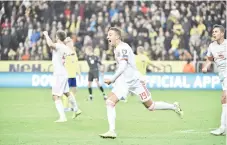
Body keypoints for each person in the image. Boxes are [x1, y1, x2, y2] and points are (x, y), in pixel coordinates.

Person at [99, 27, 183, 139]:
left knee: (151, 106)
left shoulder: (122, 48)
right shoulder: (118, 48)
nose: (107, 37)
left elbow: (123, 65)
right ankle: (112, 131)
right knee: (110, 102)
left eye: (110, 34)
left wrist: (113, 79)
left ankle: (173, 106)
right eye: (107, 35)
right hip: (124, 82)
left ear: (117, 37)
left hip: (135, 81)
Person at [43, 30, 81, 122]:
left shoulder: (59, 46)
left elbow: (50, 45)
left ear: (57, 37)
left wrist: (46, 35)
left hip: (59, 74)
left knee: (55, 95)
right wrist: (68, 43)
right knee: (66, 92)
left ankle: (62, 117)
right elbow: (72, 53)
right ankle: (76, 109)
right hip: (64, 72)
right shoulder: (64, 47)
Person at [202, 24, 226, 135]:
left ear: (222, 33)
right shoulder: (212, 46)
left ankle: (222, 127)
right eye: (213, 32)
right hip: (222, 75)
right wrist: (206, 66)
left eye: (216, 31)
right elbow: (209, 59)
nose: (214, 33)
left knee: (224, 98)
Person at [62, 37, 82, 112]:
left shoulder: (74, 51)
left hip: (73, 75)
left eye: (71, 41)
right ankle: (65, 106)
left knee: (74, 91)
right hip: (67, 75)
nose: (71, 43)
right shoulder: (65, 51)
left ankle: (71, 106)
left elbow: (76, 63)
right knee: (66, 91)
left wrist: (79, 73)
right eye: (69, 41)